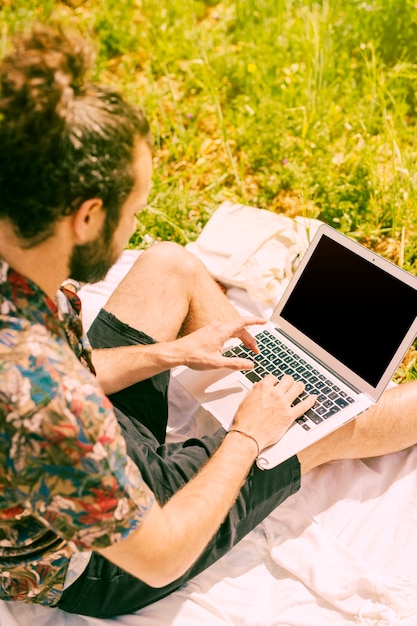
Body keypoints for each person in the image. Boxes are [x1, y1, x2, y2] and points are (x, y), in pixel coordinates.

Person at [0, 22, 416, 619]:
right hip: (105, 561)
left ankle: (277, 374)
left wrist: (169, 353)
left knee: (169, 264)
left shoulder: (20, 269)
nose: (134, 230)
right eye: (133, 211)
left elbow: (70, 376)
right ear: (87, 217)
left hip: (82, 456)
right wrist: (250, 433)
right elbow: (161, 555)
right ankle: (299, 405)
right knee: (323, 430)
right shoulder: (41, 399)